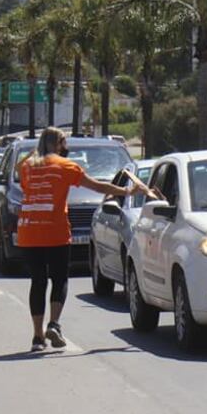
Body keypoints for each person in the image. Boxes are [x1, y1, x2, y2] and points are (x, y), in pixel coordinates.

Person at [18, 127, 153, 352]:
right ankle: (54, 323)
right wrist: (128, 192)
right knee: (59, 279)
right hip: (55, 232)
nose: (66, 147)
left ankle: (37, 337)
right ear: (58, 143)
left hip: (29, 232)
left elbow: (25, 178)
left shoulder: (27, 167)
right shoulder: (66, 166)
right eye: (64, 142)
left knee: (38, 282)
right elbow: (98, 186)